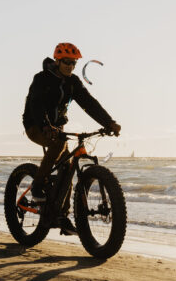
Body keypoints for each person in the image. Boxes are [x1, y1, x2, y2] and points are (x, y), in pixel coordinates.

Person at [22, 42, 120, 234]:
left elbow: (89, 104)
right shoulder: (41, 79)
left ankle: (61, 216)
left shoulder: (73, 82)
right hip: (35, 124)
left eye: (74, 63)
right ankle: (37, 186)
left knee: (67, 167)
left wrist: (108, 122)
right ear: (57, 61)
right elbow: (36, 104)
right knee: (59, 143)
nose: (70, 66)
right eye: (66, 62)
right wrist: (45, 125)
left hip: (56, 128)